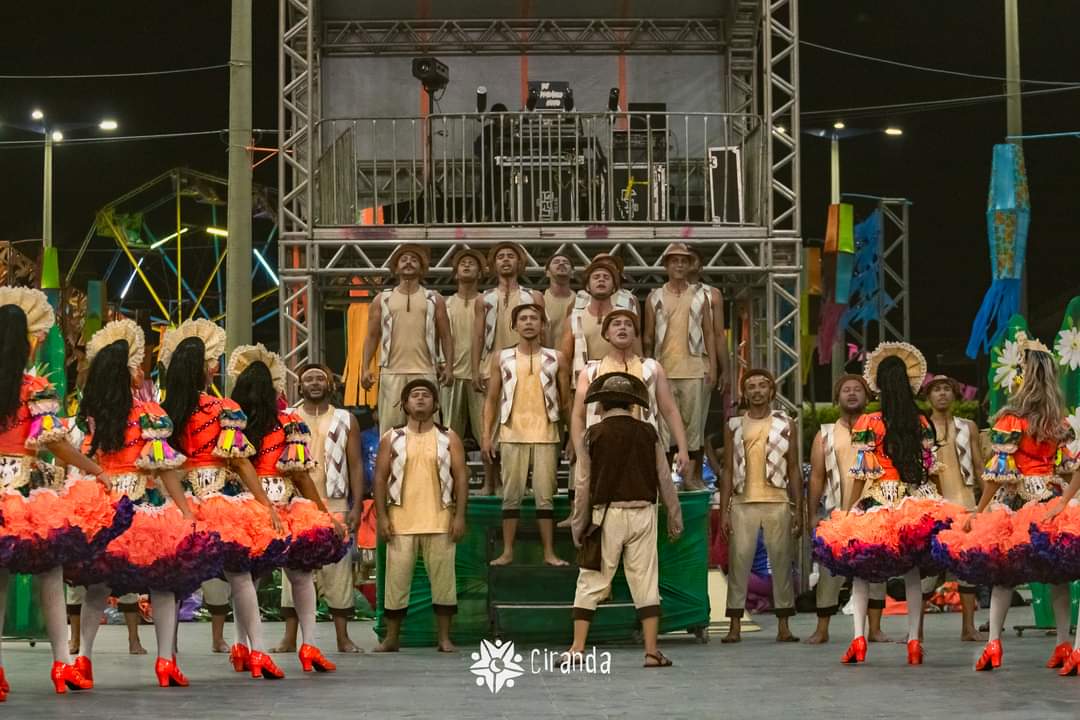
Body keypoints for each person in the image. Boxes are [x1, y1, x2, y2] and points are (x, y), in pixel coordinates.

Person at [67, 319, 224, 689]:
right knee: (162, 585)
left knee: (98, 587)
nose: (142, 372)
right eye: (137, 366)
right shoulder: (147, 416)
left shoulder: (93, 419)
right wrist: (184, 510)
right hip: (140, 511)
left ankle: (83, 659)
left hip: (109, 510)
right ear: (127, 374)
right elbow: (165, 470)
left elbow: (86, 463)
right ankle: (164, 661)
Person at [0, 287, 129, 698]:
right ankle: (62, 664)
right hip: (27, 498)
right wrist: (96, 470)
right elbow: (56, 444)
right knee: (50, 576)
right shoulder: (33, 388)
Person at [934, 333, 1079, 672]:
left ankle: (994, 644)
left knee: (1003, 575)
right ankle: (1063, 644)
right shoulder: (1058, 422)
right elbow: (1071, 468)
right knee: (1058, 577)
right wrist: (1064, 502)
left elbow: (998, 474)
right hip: (1051, 498)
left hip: (1016, 502)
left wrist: (980, 509)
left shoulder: (1011, 420)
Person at [160, 319, 289, 680]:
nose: (214, 368)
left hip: (179, 502)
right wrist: (264, 504)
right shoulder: (222, 409)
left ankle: (167, 660)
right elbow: (242, 462)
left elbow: (161, 466)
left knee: (173, 583)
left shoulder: (161, 412)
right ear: (200, 368)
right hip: (220, 501)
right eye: (210, 362)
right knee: (241, 576)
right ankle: (258, 652)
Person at [813, 342, 951, 666]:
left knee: (861, 572)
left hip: (877, 499)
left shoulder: (869, 422)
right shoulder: (920, 421)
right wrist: (941, 504)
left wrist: (848, 510)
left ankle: (858, 640)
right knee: (912, 573)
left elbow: (860, 472)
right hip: (915, 500)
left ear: (879, 384)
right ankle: (914, 642)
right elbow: (932, 469)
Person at [229, 345, 349, 673]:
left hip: (244, 507)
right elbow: (300, 475)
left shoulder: (233, 424)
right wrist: (324, 514)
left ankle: (242, 647)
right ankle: (309, 645)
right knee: (301, 576)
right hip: (285, 505)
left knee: (245, 579)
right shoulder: (288, 423)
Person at [568, 372, 683, 667]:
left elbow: (583, 484)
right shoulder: (649, 433)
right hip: (643, 512)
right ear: (633, 404)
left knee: (592, 580)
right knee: (645, 582)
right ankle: (651, 652)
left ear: (601, 404)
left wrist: (578, 524)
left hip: (605, 517)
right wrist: (674, 514)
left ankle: (577, 649)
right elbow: (664, 478)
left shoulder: (592, 435)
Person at [372, 379, 468, 653]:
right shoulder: (392, 437)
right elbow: (379, 479)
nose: (421, 399)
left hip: (440, 519)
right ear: (405, 404)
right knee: (396, 582)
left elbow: (461, 477)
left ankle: (444, 638)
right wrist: (382, 517)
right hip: (400, 520)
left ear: (436, 404)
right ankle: (392, 638)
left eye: (426, 395)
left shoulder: (449, 437)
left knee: (444, 582)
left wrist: (459, 516)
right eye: (414, 395)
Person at [275, 362, 365, 654]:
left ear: (330, 385)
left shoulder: (345, 419)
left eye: (320, 379)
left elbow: (355, 464)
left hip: (335, 502)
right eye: (309, 379)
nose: (314, 383)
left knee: (338, 571)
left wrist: (356, 505)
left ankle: (343, 638)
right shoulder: (287, 418)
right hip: (296, 504)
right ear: (299, 386)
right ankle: (289, 638)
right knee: (293, 571)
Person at [805, 374, 889, 644]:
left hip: (873, 511)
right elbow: (816, 477)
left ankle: (874, 629)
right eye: (846, 390)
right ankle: (822, 629)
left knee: (875, 572)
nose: (852, 394)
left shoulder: (879, 429)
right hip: (837, 513)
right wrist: (812, 514)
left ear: (867, 397)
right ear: (837, 398)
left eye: (857, 390)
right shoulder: (825, 434)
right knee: (830, 573)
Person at [718, 369, 801, 643]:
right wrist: (725, 510)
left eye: (762, 386)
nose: (757, 391)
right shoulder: (734, 424)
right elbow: (728, 470)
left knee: (782, 562)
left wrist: (798, 508)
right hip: (743, 502)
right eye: (751, 386)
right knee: (738, 562)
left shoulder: (785, 423)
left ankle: (784, 625)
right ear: (744, 393)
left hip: (777, 500)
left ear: (771, 391)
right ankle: (734, 625)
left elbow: (793, 467)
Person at [482, 304, 569, 567]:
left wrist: (573, 438)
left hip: (547, 433)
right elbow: (491, 399)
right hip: (512, 433)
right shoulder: (502, 357)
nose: (529, 322)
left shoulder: (556, 357)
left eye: (534, 318)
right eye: (523, 318)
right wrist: (486, 435)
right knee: (511, 496)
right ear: (514, 325)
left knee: (545, 497)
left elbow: (566, 401)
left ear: (543, 324)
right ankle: (507, 551)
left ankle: (549, 552)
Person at [568, 308, 689, 473]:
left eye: (628, 324)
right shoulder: (590, 371)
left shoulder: (652, 368)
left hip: (642, 448)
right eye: (616, 324)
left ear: (635, 335)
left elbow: (670, 410)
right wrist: (581, 452)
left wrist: (683, 448)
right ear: (606, 334)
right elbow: (578, 416)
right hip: (602, 449)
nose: (622, 327)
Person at [471, 241, 544, 495]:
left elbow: (542, 333)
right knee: (489, 426)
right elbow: (477, 336)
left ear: (519, 263)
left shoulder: (533, 297)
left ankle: (524, 482)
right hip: (490, 365)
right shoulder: (484, 299)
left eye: (510, 256)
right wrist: (474, 369)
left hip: (524, 365)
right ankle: (491, 482)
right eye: (500, 256)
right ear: (493, 264)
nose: (505, 260)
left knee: (523, 423)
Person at [643, 242, 717, 491]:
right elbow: (648, 336)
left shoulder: (700, 295)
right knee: (663, 428)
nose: (679, 265)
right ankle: (664, 478)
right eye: (674, 261)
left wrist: (713, 367)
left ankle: (691, 477)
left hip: (694, 367)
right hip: (663, 369)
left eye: (684, 261)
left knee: (693, 426)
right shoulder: (654, 297)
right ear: (666, 265)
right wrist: (646, 368)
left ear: (690, 265)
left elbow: (709, 332)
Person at [361, 243, 454, 435]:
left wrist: (449, 366)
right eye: (403, 260)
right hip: (391, 371)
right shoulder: (382, 299)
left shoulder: (434, 298)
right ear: (396, 268)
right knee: (391, 431)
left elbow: (446, 335)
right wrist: (365, 368)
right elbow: (371, 336)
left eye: (414, 260)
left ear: (422, 268)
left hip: (425, 370)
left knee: (429, 430)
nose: (408, 262)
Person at [922, 374, 984, 641]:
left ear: (955, 394)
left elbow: (979, 466)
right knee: (926, 571)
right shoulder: (921, 427)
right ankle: (916, 631)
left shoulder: (967, 426)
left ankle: (968, 628)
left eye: (947, 389)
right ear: (928, 397)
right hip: (932, 507)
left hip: (965, 503)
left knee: (967, 569)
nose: (942, 393)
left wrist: (986, 502)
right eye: (936, 389)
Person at [560, 256, 640, 389]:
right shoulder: (574, 318)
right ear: (587, 286)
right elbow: (565, 360)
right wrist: (566, 394)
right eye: (596, 277)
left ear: (614, 287)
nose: (601, 279)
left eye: (606, 277)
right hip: (584, 385)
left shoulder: (626, 318)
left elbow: (638, 355)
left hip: (621, 384)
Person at [441, 248, 487, 450]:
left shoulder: (488, 302)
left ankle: (492, 473)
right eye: (462, 263)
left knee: (487, 434)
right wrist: (443, 364)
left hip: (482, 374)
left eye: (472, 263)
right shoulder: (446, 303)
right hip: (452, 374)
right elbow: (438, 336)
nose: (467, 265)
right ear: (455, 274)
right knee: (449, 435)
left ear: (480, 273)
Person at [543, 251, 576, 349]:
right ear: (547, 273)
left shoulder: (582, 302)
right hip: (546, 356)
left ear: (572, 273)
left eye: (566, 262)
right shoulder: (539, 300)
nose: (561, 263)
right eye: (556, 262)